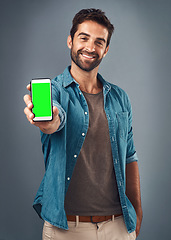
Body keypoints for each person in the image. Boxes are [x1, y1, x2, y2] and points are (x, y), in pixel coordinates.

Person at [24, 8, 143, 240]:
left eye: (99, 42)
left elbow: (129, 155)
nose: (90, 47)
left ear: (106, 50)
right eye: (84, 38)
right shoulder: (55, 91)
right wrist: (48, 121)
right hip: (65, 229)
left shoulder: (120, 98)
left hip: (117, 226)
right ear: (70, 41)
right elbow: (54, 122)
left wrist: (137, 212)